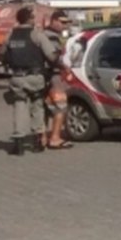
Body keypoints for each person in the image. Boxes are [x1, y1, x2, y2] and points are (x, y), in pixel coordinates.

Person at [1, 6, 58, 156]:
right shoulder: (36, 34)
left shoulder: (10, 35)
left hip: (17, 77)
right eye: (33, 17)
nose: (35, 20)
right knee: (37, 106)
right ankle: (38, 142)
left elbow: (2, 54)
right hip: (35, 77)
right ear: (29, 19)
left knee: (19, 107)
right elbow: (51, 56)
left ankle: (18, 143)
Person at [41, 10, 74, 150]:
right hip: (54, 77)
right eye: (62, 22)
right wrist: (65, 68)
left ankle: (42, 138)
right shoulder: (52, 37)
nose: (65, 26)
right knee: (61, 107)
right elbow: (54, 58)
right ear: (53, 20)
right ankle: (55, 138)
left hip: (42, 77)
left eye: (67, 23)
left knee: (44, 109)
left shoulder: (41, 35)